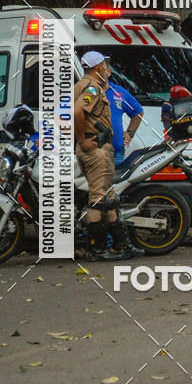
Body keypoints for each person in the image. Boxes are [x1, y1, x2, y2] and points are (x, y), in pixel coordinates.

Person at [74, 51, 142, 259]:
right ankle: (97, 248)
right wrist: (83, 139)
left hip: (101, 150)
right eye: (104, 65)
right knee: (98, 200)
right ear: (97, 68)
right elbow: (77, 112)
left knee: (110, 199)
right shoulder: (92, 87)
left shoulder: (80, 86)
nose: (107, 68)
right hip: (96, 150)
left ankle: (120, 245)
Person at [105, 73, 144, 165]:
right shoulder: (84, 90)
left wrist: (130, 133)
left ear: (109, 72)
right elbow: (64, 113)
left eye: (102, 68)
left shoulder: (118, 91)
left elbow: (138, 112)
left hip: (116, 155)